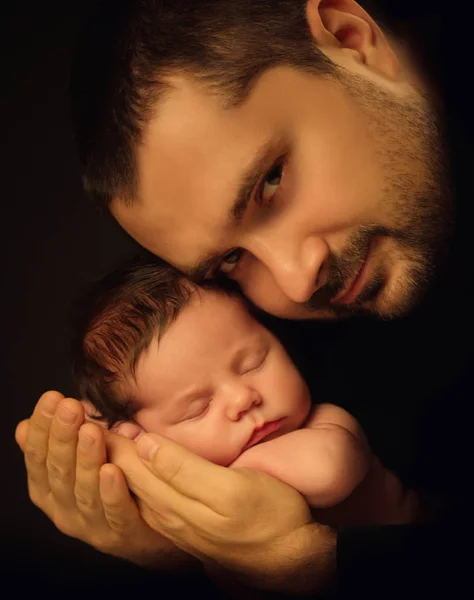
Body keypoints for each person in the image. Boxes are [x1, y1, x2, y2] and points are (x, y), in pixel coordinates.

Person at [15, 0, 473, 596]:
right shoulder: (296, 340)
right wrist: (179, 535)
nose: (294, 280)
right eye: (231, 260)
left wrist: (304, 562)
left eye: (272, 181)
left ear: (349, 37)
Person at [72, 255, 426, 527]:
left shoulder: (326, 424)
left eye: (253, 363)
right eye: (197, 407)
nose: (243, 399)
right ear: (150, 433)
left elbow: (329, 471)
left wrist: (214, 474)